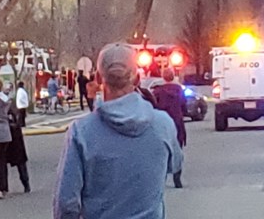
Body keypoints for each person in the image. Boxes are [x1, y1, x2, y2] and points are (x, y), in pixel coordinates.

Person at [53, 43, 183, 219]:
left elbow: (66, 204)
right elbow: (174, 165)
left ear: (98, 79)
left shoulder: (81, 133)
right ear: (137, 79)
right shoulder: (163, 125)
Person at [150, 68, 187, 188]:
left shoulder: (158, 92)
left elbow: (154, 106)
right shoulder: (179, 90)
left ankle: (162, 178)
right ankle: (177, 177)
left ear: (163, 77)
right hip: (177, 122)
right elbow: (184, 104)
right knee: (178, 151)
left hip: (163, 124)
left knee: (163, 151)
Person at [6, 81, 31, 193]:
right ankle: (26, 183)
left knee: (2, 162)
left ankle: (3, 187)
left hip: (9, 133)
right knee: (20, 162)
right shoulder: (11, 102)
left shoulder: (4, 102)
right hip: (15, 133)